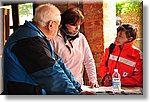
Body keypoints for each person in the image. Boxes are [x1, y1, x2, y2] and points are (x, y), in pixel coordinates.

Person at [3, 3, 89, 95]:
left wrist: (78, 90)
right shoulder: (29, 42)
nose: (58, 29)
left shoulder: (37, 37)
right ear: (51, 24)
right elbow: (52, 76)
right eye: (58, 26)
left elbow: (59, 65)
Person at [50, 7, 99, 88]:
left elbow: (89, 60)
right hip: (60, 85)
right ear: (65, 24)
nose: (77, 28)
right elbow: (52, 66)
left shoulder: (81, 38)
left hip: (78, 84)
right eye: (74, 25)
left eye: (79, 25)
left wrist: (93, 79)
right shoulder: (54, 39)